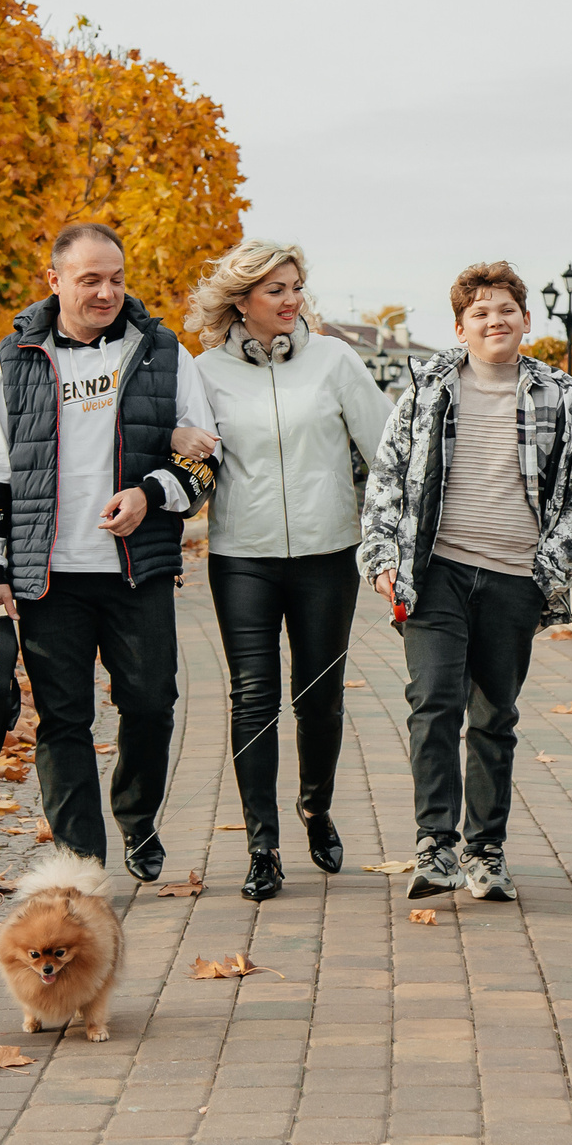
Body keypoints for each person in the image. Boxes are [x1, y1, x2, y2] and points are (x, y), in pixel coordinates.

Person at [0, 222, 219, 882]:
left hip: (139, 571)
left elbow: (207, 462)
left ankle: (136, 815)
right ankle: (83, 863)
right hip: (48, 578)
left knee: (151, 705)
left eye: (116, 278)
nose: (107, 292)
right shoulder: (11, 360)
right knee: (64, 719)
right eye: (90, 279)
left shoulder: (163, 352)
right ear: (54, 281)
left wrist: (150, 493)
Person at [361, 262, 572, 904]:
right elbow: (388, 473)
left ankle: (485, 851)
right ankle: (434, 845)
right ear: (461, 325)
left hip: (514, 578)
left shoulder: (565, 397)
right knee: (433, 702)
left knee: (495, 716)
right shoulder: (428, 388)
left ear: (526, 319)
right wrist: (384, 555)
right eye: (481, 313)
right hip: (437, 573)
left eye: (507, 310)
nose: (496, 321)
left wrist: (548, 568)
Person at [187, 239, 393, 902]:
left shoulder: (335, 360)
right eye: (275, 288)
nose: (291, 299)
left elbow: (386, 450)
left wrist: (394, 537)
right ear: (240, 300)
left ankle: (315, 805)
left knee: (318, 697)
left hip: (326, 554)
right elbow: (191, 464)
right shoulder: (203, 373)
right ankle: (261, 844)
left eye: (295, 286)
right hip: (241, 555)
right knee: (253, 697)